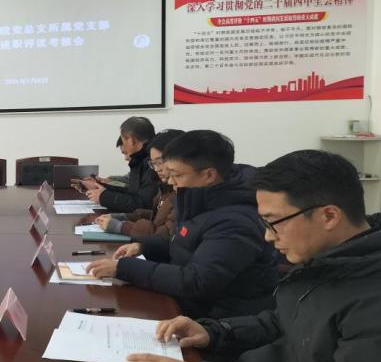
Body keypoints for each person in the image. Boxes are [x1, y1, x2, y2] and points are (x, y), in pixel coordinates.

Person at [122, 150, 381, 362]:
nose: (267, 236)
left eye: (273, 223)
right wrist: (215, 332)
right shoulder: (335, 259)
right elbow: (285, 321)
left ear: (329, 216)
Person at [87, 130, 279, 319]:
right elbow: (183, 244)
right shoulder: (199, 199)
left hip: (217, 319)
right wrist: (143, 247)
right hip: (187, 304)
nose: (171, 181)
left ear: (209, 175)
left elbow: (197, 281)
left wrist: (125, 269)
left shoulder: (236, 220)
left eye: (176, 175)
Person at [95, 129, 183, 238]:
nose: (157, 169)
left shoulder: (180, 192)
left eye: (160, 162)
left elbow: (165, 235)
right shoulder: (166, 188)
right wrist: (122, 217)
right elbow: (156, 216)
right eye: (153, 163)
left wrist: (122, 226)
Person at [77, 117, 159, 213]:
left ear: (131, 140)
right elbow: (132, 193)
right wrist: (100, 187)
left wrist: (104, 197)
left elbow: (143, 205)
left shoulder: (152, 162)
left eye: (123, 141)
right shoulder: (140, 158)